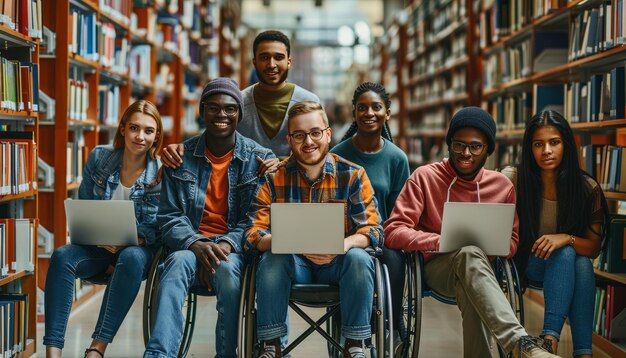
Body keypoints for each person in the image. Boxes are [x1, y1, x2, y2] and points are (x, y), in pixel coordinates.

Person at [384, 106, 560, 358]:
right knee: (467, 254)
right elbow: (393, 230)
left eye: (475, 146)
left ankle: (520, 347)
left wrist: (487, 243)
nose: (465, 153)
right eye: (458, 145)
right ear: (449, 145)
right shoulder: (424, 177)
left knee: (472, 273)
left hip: (480, 275)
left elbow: (511, 243)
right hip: (437, 270)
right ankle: (523, 345)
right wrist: (441, 241)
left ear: (488, 149)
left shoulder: (502, 186)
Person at [143, 78, 275, 358]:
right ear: (202, 111)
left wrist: (227, 244)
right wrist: (194, 242)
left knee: (227, 271)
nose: (221, 115)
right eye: (213, 108)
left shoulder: (259, 159)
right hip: (190, 245)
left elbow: (258, 218)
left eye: (229, 109)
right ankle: (158, 354)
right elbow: (168, 216)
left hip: (234, 249)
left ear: (239, 113)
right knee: (175, 265)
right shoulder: (180, 157)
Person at [245, 101, 383, 358]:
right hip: (294, 267)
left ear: (328, 134)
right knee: (272, 257)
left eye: (315, 133)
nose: (308, 141)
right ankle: (271, 346)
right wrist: (288, 242)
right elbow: (253, 232)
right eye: (299, 135)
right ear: (289, 139)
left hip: (339, 266)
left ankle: (355, 344)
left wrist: (343, 245)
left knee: (359, 257)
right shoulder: (274, 179)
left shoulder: (353, 176)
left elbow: (373, 230)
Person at [44, 100, 163, 358]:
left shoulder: (161, 172)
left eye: (148, 131)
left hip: (137, 252)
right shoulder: (100, 157)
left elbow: (158, 227)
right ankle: (52, 352)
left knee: (130, 257)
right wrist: (98, 237)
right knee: (63, 255)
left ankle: (96, 350)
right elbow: (86, 207)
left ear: (156, 137)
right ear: (122, 129)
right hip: (98, 247)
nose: (140, 136)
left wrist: (126, 243)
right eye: (134, 128)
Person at [505, 110, 606, 358]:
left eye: (554, 142)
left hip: (566, 267)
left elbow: (593, 248)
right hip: (527, 264)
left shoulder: (585, 187)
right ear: (529, 148)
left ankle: (576, 351)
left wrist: (565, 237)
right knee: (571, 254)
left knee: (579, 260)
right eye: (538, 144)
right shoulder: (513, 179)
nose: (546, 151)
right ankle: (552, 340)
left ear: (566, 145)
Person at [160, 30, 320, 169]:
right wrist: (180, 150)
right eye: (264, 57)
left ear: (289, 62)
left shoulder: (309, 102)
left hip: (294, 189)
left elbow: (320, 150)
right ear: (254, 62)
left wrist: (283, 164)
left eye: (278, 57)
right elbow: (213, 138)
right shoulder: (236, 102)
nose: (272, 64)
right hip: (245, 191)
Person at [329, 81, 409, 348]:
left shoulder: (397, 158)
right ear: (354, 113)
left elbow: (400, 210)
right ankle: (348, 332)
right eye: (362, 108)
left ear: (387, 112)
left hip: (382, 237)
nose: (369, 113)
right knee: (347, 262)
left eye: (376, 107)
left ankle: (393, 325)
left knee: (396, 261)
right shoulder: (336, 155)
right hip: (344, 237)